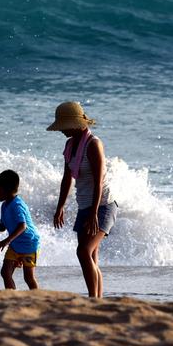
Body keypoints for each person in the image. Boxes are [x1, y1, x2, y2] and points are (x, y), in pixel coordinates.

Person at [48, 101, 117, 298]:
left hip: (103, 205)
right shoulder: (70, 145)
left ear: (75, 124)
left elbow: (98, 181)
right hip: (85, 205)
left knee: (83, 252)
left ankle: (93, 298)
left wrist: (94, 213)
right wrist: (60, 207)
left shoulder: (93, 144)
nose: (61, 130)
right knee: (91, 256)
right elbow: (66, 178)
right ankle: (97, 300)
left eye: (63, 126)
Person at [0, 170, 40, 290]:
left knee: (28, 278)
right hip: (15, 245)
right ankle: (12, 295)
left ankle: (38, 297)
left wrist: (7, 241)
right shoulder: (5, 205)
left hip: (29, 244)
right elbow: (2, 227)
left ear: (6, 190)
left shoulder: (17, 205)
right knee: (5, 273)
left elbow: (22, 226)